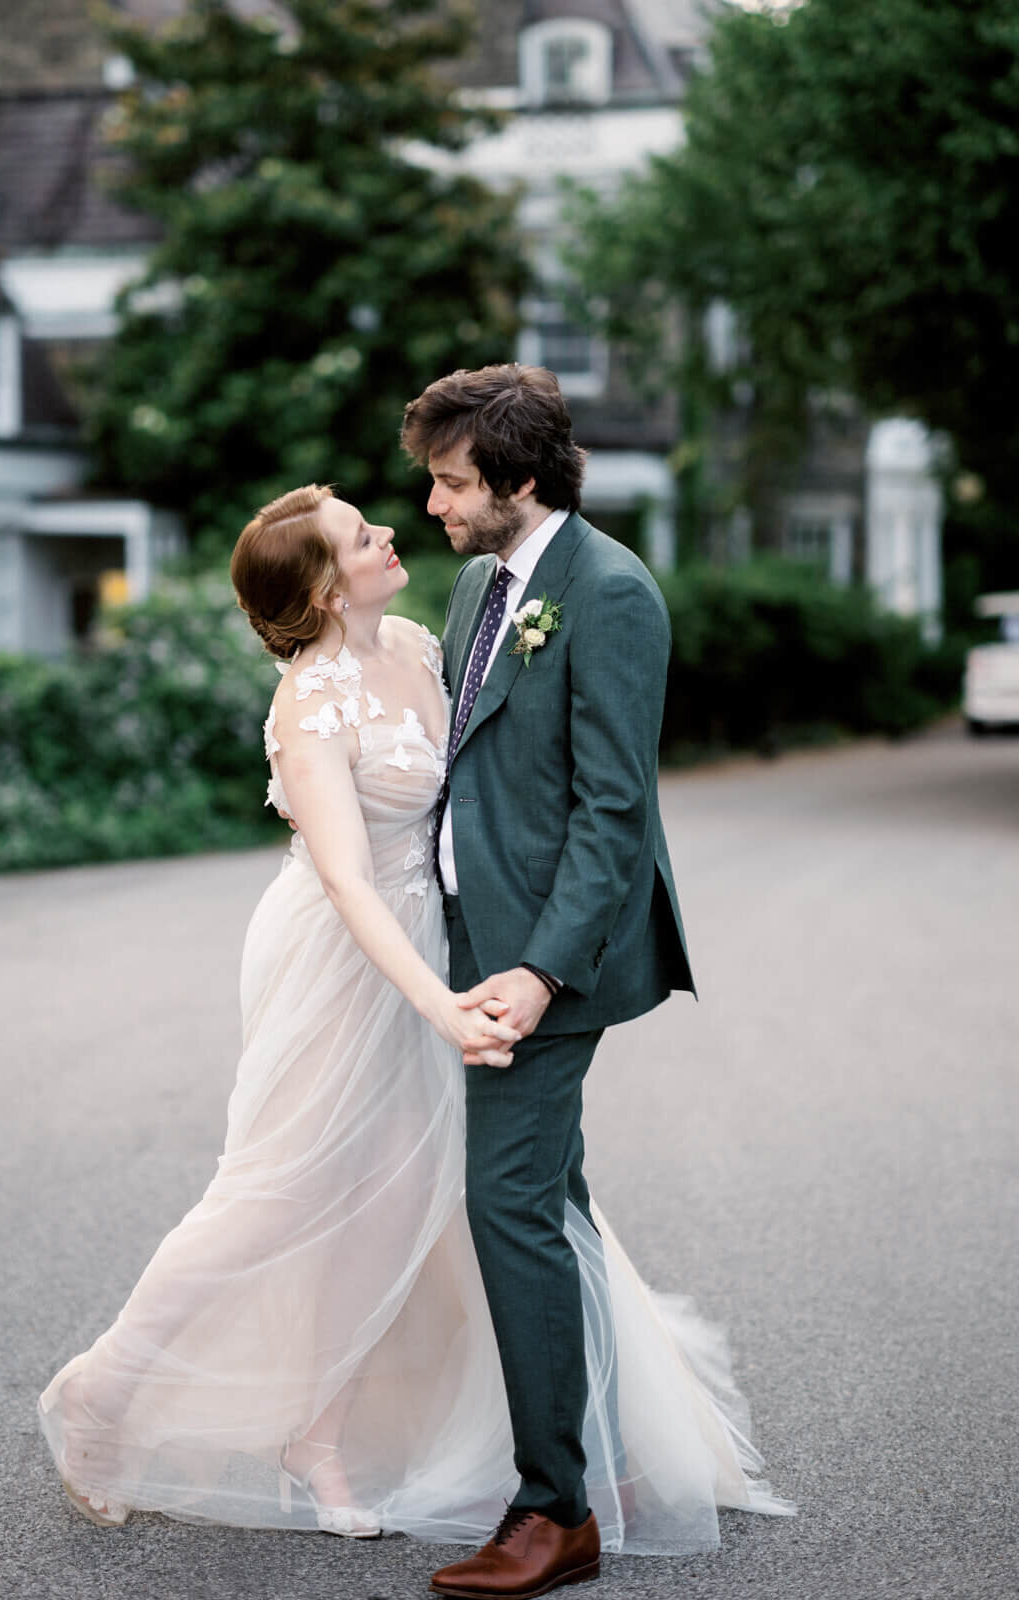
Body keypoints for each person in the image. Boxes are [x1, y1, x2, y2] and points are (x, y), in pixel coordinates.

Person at [37, 439, 792, 1567]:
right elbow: (346, 880)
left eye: (388, 515)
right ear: (326, 587)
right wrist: (440, 1005)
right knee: (273, 1192)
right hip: (348, 960)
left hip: (445, 943)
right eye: (361, 535)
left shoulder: (426, 639)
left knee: (398, 1203)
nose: (395, 527)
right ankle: (104, 1391)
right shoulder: (310, 702)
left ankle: (320, 1434)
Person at [398, 363, 794, 1599]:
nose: (433, 506)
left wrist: (534, 970)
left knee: (507, 1203)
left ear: (521, 481)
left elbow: (615, 812)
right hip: (473, 944)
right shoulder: (475, 588)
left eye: (454, 483)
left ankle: (552, 1508)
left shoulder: (613, 593)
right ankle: (607, 1446)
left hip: (551, 963)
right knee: (551, 1204)